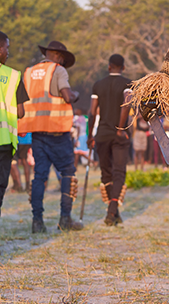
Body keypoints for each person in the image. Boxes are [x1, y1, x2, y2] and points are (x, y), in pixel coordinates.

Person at [20, 40, 82, 232]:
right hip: (58, 131)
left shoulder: (28, 72)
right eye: (62, 58)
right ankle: (65, 219)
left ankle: (37, 221)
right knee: (68, 173)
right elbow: (66, 96)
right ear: (58, 56)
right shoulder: (58, 70)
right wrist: (75, 94)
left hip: (37, 131)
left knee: (39, 176)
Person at [88, 54, 132, 226]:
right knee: (119, 172)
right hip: (118, 134)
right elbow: (126, 105)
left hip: (102, 134)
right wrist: (121, 129)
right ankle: (113, 210)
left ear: (109, 67)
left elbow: (92, 113)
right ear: (123, 67)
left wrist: (91, 134)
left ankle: (112, 211)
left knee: (106, 173)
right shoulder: (128, 84)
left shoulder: (98, 85)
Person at [0, 31, 29, 216]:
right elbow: (20, 112)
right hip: (4, 142)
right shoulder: (13, 76)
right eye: (6, 48)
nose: (8, 52)